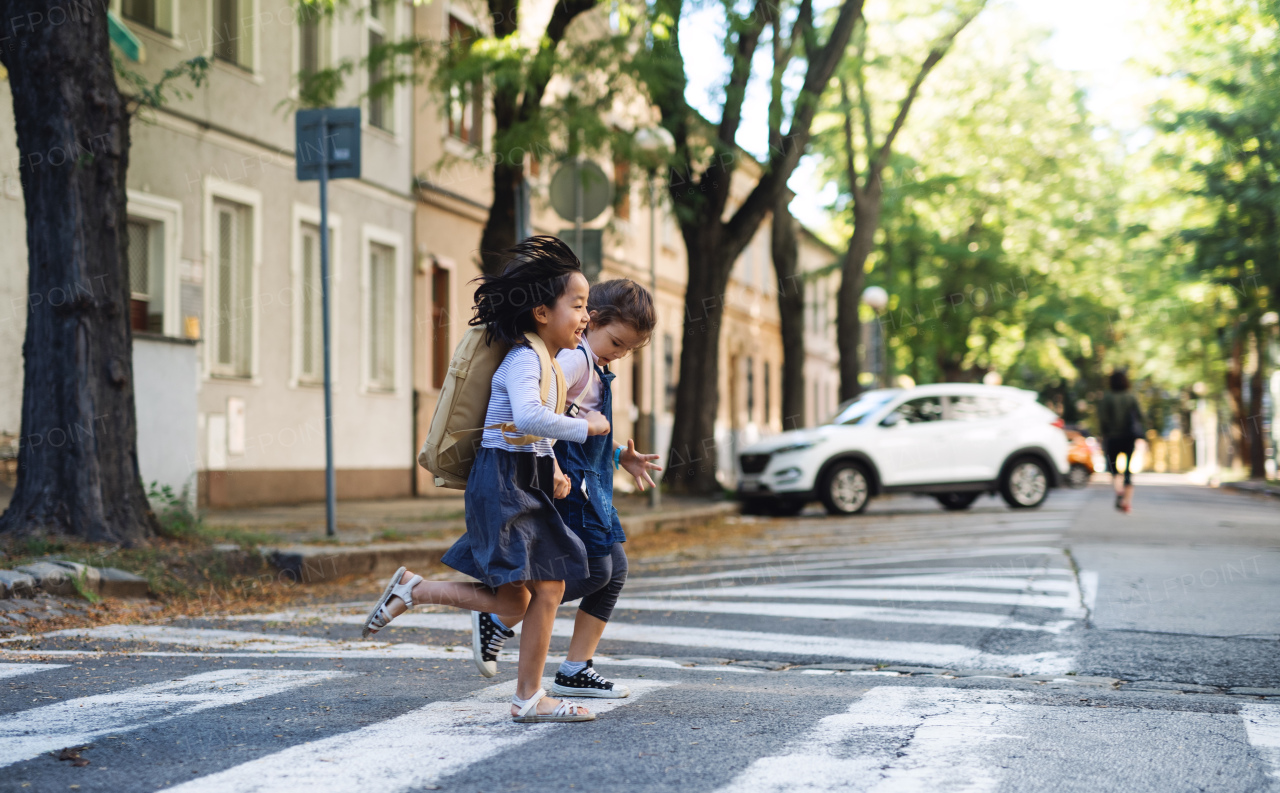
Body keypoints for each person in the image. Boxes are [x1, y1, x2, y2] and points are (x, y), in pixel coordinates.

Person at [360, 236, 610, 723]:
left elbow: (526, 429)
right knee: (548, 588)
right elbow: (527, 416)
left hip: (521, 479)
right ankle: (528, 698)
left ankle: (415, 589)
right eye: (578, 306)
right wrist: (587, 426)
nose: (586, 318)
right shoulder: (523, 358)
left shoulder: (543, 358)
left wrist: (554, 468)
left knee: (516, 598)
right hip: (502, 483)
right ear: (542, 312)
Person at [470, 279, 661, 699]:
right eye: (616, 341)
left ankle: (575, 666)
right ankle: (503, 613)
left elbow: (575, 423)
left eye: (628, 349)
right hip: (573, 485)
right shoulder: (576, 361)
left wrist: (616, 456)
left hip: (591, 479)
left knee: (613, 572)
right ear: (592, 321)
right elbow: (546, 420)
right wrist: (557, 465)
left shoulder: (593, 363)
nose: (620, 353)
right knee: (594, 571)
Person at [1098, 369, 1144, 513]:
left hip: (1112, 438)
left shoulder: (1107, 397)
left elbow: (1103, 418)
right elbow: (1141, 416)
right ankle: (1127, 502)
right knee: (1128, 471)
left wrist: (1104, 433)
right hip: (1129, 437)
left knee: (1113, 469)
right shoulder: (1131, 397)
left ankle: (1119, 492)